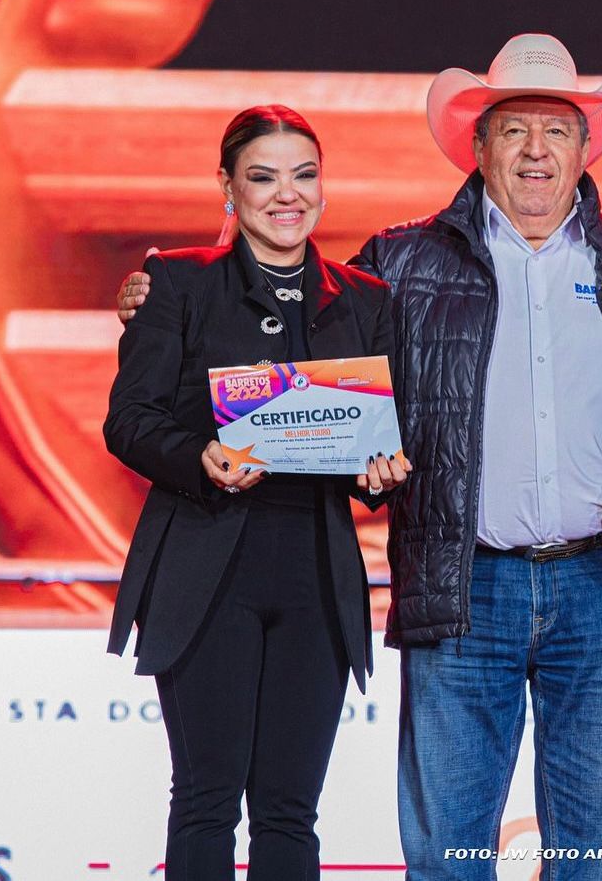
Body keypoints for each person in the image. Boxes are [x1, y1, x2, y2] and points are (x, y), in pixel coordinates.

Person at [118, 35, 602, 880]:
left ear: (587, 146)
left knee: (595, 856)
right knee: (450, 856)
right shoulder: (400, 264)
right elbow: (296, 344)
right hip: (461, 587)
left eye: (557, 130)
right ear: (478, 144)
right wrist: (156, 294)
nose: (536, 151)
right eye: (513, 130)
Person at [105, 105, 410, 881]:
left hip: (315, 573)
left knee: (289, 811)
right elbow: (129, 421)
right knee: (205, 798)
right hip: (205, 571)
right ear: (228, 187)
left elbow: (375, 436)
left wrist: (380, 473)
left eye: (304, 176)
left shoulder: (365, 299)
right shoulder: (176, 281)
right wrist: (199, 455)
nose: (287, 195)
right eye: (264, 177)